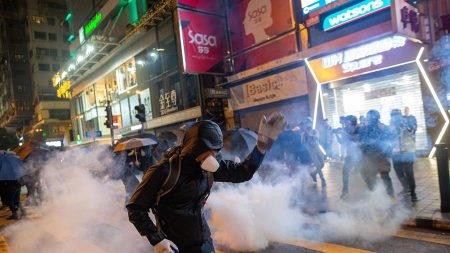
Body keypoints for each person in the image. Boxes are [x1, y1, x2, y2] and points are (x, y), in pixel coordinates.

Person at [127, 113, 285, 253]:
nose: (214, 155)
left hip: (203, 242)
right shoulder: (164, 171)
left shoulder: (209, 168)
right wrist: (157, 240)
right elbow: (135, 208)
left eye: (216, 150)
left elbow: (242, 172)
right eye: (210, 150)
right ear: (195, 147)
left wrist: (260, 149)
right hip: (174, 246)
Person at [359, 110, 395, 197]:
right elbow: (361, 140)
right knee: (368, 175)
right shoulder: (365, 128)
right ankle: (376, 195)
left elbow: (391, 138)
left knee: (384, 175)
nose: (371, 121)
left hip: (380, 154)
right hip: (369, 156)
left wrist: (384, 131)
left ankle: (390, 196)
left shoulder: (382, 127)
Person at [390, 109, 417, 202]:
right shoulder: (391, 125)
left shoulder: (407, 121)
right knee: (398, 171)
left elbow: (412, 131)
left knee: (409, 172)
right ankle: (406, 187)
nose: (394, 117)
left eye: (396, 115)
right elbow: (389, 137)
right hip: (396, 153)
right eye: (393, 115)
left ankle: (413, 194)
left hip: (408, 152)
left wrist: (404, 126)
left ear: (400, 115)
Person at [340, 115, 361, 199]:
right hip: (351, 155)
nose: (345, 123)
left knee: (366, 175)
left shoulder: (359, 128)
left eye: (347, 122)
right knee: (345, 172)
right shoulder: (346, 129)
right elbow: (343, 142)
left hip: (360, 155)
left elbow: (355, 139)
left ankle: (375, 191)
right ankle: (345, 192)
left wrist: (345, 134)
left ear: (351, 122)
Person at [299, 117, 326, 186]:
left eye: (309, 122)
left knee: (322, 164)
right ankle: (322, 179)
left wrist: (312, 135)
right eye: (306, 123)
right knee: (318, 164)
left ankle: (313, 173)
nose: (307, 124)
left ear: (311, 123)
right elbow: (302, 142)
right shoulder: (304, 133)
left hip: (317, 148)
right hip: (311, 150)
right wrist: (303, 135)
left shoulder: (314, 131)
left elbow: (317, 137)